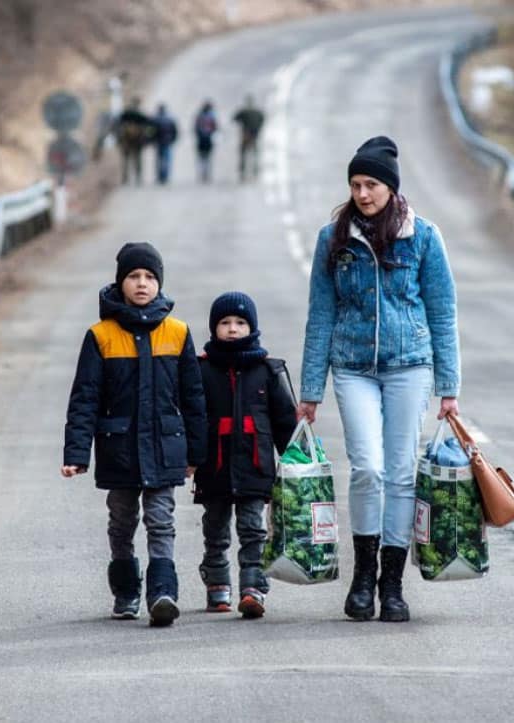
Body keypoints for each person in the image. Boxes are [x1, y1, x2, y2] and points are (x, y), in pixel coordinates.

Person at [297, 136, 461, 623]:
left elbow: (442, 312)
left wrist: (449, 387)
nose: (362, 194)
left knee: (401, 472)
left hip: (410, 365)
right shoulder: (333, 239)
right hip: (352, 367)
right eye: (355, 185)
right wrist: (310, 391)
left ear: (391, 187)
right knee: (367, 468)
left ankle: (392, 584)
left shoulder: (423, 237)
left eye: (371, 184)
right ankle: (363, 576)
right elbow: (320, 315)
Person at [62, 242, 207, 626]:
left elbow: (193, 398)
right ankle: (126, 592)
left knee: (161, 520)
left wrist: (196, 452)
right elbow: (85, 398)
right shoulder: (101, 336)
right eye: (133, 276)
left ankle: (162, 594)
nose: (142, 283)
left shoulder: (177, 333)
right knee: (122, 521)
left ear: (159, 283)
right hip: (119, 450)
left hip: (164, 447)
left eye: (149, 277)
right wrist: (76, 453)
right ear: (120, 282)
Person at [192, 292, 296, 618]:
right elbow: (191, 418)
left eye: (240, 322)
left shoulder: (267, 370)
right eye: (225, 323)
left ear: (252, 327)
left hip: (255, 466)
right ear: (214, 328)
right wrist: (189, 458)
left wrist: (296, 461)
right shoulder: (201, 370)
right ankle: (217, 584)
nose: (233, 329)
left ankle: (253, 588)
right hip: (214, 467)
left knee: (253, 530)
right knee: (215, 530)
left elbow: (285, 422)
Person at [116, 98, 155, 185]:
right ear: (138, 104)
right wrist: (148, 140)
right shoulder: (141, 115)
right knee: (138, 160)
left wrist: (119, 140)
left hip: (126, 142)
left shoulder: (125, 114)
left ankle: (125, 178)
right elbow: (149, 128)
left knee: (126, 160)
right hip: (137, 142)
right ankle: (138, 177)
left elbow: (118, 126)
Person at [232, 95, 265, 182]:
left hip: (245, 135)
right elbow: (263, 118)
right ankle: (255, 170)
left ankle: (243, 172)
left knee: (243, 153)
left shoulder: (243, 112)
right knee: (254, 153)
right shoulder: (257, 112)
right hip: (254, 135)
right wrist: (258, 128)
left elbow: (234, 118)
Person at [152, 103, 179, 185]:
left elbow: (151, 132)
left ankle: (161, 176)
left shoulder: (155, 119)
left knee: (160, 160)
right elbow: (175, 131)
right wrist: (173, 140)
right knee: (165, 160)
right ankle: (164, 176)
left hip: (160, 143)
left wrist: (152, 140)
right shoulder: (169, 119)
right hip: (166, 142)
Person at [193, 100, 219, 183]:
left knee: (202, 158)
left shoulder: (200, 116)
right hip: (207, 139)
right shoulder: (211, 117)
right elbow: (216, 128)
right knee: (207, 158)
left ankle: (203, 174)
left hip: (202, 140)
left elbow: (195, 128)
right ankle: (206, 174)